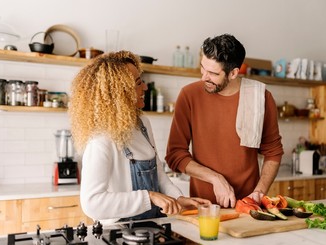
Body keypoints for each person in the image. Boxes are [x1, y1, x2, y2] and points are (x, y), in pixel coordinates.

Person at [69, 50, 210, 225]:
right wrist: (149, 197)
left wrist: (177, 198)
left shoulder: (142, 123)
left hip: (152, 226)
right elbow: (92, 204)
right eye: (137, 83)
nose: (144, 87)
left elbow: (158, 173)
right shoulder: (101, 139)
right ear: (120, 92)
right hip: (120, 235)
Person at [165, 34, 284, 208]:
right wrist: (216, 179)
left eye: (213, 73)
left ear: (234, 73)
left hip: (247, 206)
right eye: (203, 68)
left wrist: (259, 192)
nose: (204, 77)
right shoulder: (188, 95)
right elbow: (175, 155)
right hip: (203, 208)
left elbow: (273, 152)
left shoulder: (260, 98)